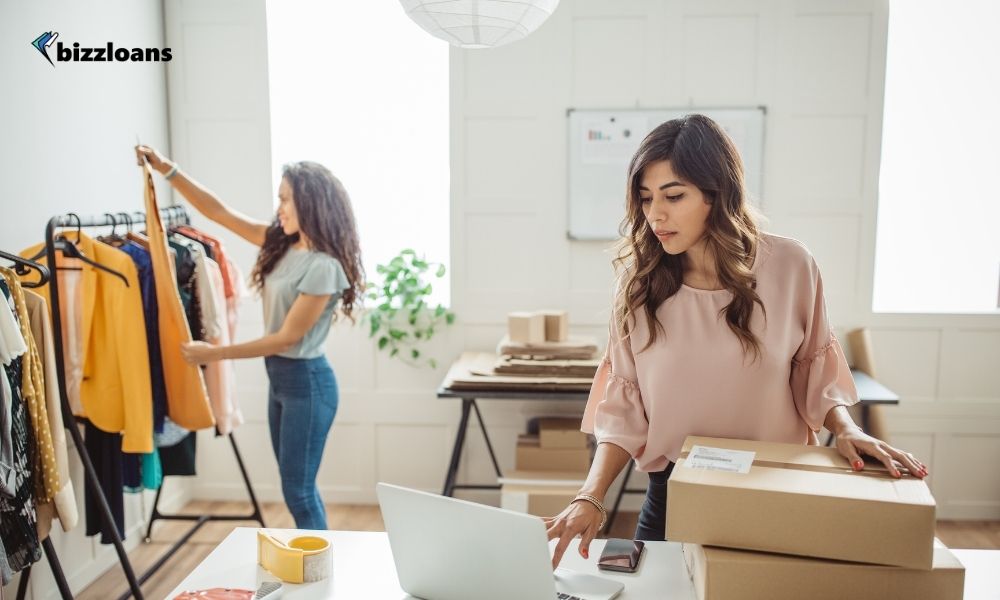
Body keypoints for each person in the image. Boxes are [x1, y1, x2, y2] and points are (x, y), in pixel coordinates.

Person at [544, 115, 928, 567]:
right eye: (645, 199)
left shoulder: (791, 266)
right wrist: (590, 496)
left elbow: (812, 366)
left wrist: (845, 428)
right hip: (673, 497)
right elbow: (624, 409)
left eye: (673, 196)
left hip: (774, 493)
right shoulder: (639, 287)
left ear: (717, 193)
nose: (655, 215)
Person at [135, 145, 364, 530]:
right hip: (282, 383)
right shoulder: (283, 244)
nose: (280, 208)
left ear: (309, 202)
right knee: (297, 488)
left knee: (299, 492)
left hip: (307, 384)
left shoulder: (324, 267)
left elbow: (285, 340)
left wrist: (215, 352)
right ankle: (316, 569)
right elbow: (219, 212)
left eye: (286, 199)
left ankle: (321, 579)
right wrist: (167, 169)